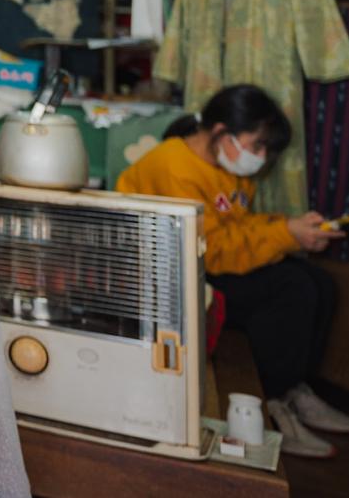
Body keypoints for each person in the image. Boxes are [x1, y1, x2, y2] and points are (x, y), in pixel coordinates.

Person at [117, 84, 348, 458]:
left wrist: (291, 228)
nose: (260, 158)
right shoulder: (174, 167)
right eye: (256, 146)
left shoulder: (226, 167)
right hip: (171, 278)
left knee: (319, 282)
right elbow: (213, 251)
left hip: (208, 260)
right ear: (223, 133)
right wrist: (285, 234)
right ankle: (273, 403)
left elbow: (237, 226)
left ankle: (295, 389)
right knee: (293, 289)